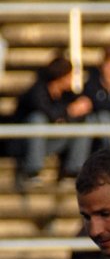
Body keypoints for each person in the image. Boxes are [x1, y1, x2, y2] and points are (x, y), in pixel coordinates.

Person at [11, 55, 93, 189]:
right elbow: (47, 113)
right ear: (60, 76)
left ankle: (73, 172)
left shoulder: (67, 94)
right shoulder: (37, 91)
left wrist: (81, 107)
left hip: (49, 143)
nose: (72, 79)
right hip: (25, 144)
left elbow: (73, 113)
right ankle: (32, 171)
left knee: (84, 123)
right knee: (37, 119)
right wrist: (70, 111)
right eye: (69, 75)